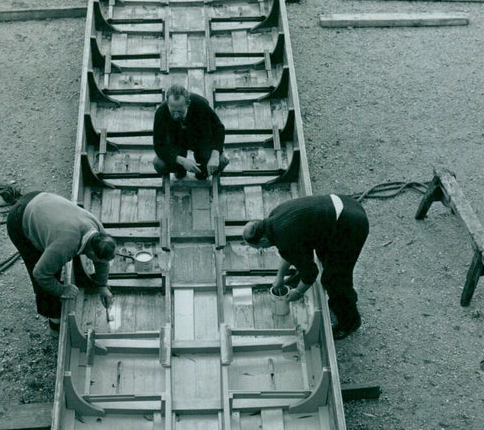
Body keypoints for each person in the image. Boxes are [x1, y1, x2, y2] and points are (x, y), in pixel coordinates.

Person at [242, 193, 369, 339]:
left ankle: (350, 322)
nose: (261, 250)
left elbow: (310, 273)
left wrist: (299, 292)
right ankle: (345, 299)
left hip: (351, 225)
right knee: (327, 260)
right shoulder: (273, 218)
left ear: (263, 240)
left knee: (333, 279)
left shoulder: (284, 238)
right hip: (346, 204)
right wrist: (279, 278)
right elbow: (289, 252)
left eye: (258, 247)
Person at [6, 190, 115, 337]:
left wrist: (102, 286)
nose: (100, 263)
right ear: (91, 253)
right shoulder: (65, 245)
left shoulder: (98, 230)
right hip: (19, 220)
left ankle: (79, 279)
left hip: (41, 201)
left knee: (58, 257)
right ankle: (54, 324)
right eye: (97, 260)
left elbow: (102, 262)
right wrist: (62, 290)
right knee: (48, 273)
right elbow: (40, 274)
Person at [153, 84, 229, 180]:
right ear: (168, 103)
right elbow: (158, 145)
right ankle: (179, 171)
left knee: (221, 160)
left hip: (200, 141)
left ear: (188, 103)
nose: (176, 116)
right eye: (173, 111)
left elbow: (219, 128)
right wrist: (182, 161)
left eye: (180, 111)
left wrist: (215, 155)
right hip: (176, 144)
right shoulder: (161, 112)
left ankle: (203, 174)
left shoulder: (200, 104)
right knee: (158, 163)